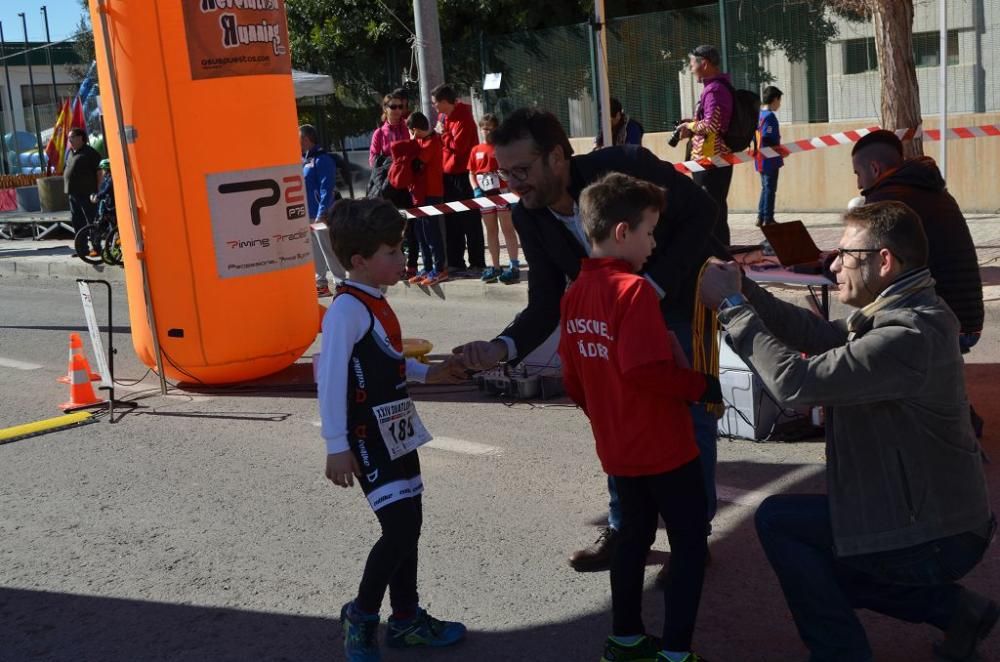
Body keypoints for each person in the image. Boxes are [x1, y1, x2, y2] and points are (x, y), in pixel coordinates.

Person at [699, 200, 996, 662]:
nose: (833, 264)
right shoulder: (902, 311)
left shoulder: (907, 335)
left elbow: (795, 384)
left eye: (845, 255)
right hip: (928, 517)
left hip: (938, 534)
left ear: (884, 261)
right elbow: (818, 337)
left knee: (786, 528)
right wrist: (747, 290)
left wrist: (734, 307)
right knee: (827, 551)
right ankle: (957, 610)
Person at [450, 108, 724, 573]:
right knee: (614, 414)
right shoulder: (529, 216)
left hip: (677, 299)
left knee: (688, 416)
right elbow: (545, 303)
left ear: (556, 157)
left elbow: (703, 215)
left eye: (522, 170)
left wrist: (650, 287)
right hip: (610, 321)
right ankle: (625, 528)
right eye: (505, 172)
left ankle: (691, 539)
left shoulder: (624, 168)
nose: (514, 183)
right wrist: (501, 348)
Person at [560, 172, 720, 662]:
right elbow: (645, 369)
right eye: (650, 231)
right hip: (664, 446)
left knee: (632, 537)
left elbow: (573, 378)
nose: (654, 243)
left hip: (618, 447)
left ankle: (625, 639)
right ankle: (675, 653)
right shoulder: (634, 293)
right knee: (691, 544)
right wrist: (701, 385)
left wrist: (605, 418)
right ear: (623, 232)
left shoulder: (575, 293)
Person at [317, 198, 467, 662]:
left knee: (411, 526)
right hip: (366, 438)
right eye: (392, 251)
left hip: (397, 427)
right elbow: (330, 377)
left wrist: (430, 374)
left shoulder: (375, 300)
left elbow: (385, 360)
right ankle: (361, 617)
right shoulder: (346, 310)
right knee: (399, 530)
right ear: (359, 260)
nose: (403, 260)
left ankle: (406, 620)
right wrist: (335, 446)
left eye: (401, 249)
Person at [851, 129, 985, 436]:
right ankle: (956, 412)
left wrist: (834, 263)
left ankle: (945, 419)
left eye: (858, 174)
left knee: (874, 334)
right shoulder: (934, 190)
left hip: (942, 324)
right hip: (967, 319)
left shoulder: (886, 200)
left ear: (874, 169)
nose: (858, 184)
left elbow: (867, 265)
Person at [680, 45, 734, 247]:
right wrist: (692, 123)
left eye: (692, 63)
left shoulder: (715, 90)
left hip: (711, 160)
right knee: (714, 209)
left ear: (704, 63)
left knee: (711, 211)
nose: (691, 68)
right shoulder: (715, 88)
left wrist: (690, 126)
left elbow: (712, 124)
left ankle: (717, 254)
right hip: (711, 159)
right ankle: (716, 252)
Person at [387, 111, 447, 286]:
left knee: (432, 231)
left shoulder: (431, 142)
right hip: (418, 193)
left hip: (431, 192)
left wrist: (411, 143)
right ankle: (427, 267)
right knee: (421, 232)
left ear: (414, 130)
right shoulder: (421, 141)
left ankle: (439, 268)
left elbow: (416, 164)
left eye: (410, 132)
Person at [432, 83, 486, 275]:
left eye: (436, 104)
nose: (434, 107)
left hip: (464, 174)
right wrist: (442, 134)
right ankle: (456, 261)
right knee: (451, 220)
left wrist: (443, 134)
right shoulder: (443, 117)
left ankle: (477, 262)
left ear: (446, 102)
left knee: (470, 220)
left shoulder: (464, 119)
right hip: (447, 173)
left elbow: (459, 146)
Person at [467, 113, 520, 284]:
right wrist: (476, 189)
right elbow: (472, 173)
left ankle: (514, 265)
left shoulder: (502, 148)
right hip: (484, 195)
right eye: (484, 129)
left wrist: (506, 181)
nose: (487, 132)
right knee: (491, 230)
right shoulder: (476, 150)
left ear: (497, 130)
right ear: (480, 130)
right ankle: (496, 266)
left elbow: (511, 169)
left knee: (507, 229)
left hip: (502, 193)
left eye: (490, 129)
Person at [301, 124, 340, 297]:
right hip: (308, 214)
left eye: (298, 138)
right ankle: (321, 284)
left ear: (306, 139)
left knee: (329, 248)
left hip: (321, 215)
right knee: (315, 250)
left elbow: (327, 188)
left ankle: (340, 283)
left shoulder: (322, 159)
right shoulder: (305, 160)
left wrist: (322, 212)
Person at [64, 128, 102, 258]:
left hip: (87, 193)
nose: (70, 140)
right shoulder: (70, 153)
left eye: (72, 137)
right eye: (69, 138)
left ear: (81, 138)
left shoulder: (90, 153)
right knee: (77, 221)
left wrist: (98, 190)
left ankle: (97, 247)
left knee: (91, 220)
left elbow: (99, 172)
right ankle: (82, 249)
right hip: (73, 194)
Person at [755, 86, 783, 227]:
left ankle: (760, 217)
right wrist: (780, 150)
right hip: (769, 159)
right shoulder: (770, 116)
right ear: (775, 99)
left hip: (760, 158)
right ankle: (768, 218)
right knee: (770, 188)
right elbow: (767, 137)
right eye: (779, 100)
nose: (780, 104)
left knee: (765, 188)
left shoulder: (759, 115)